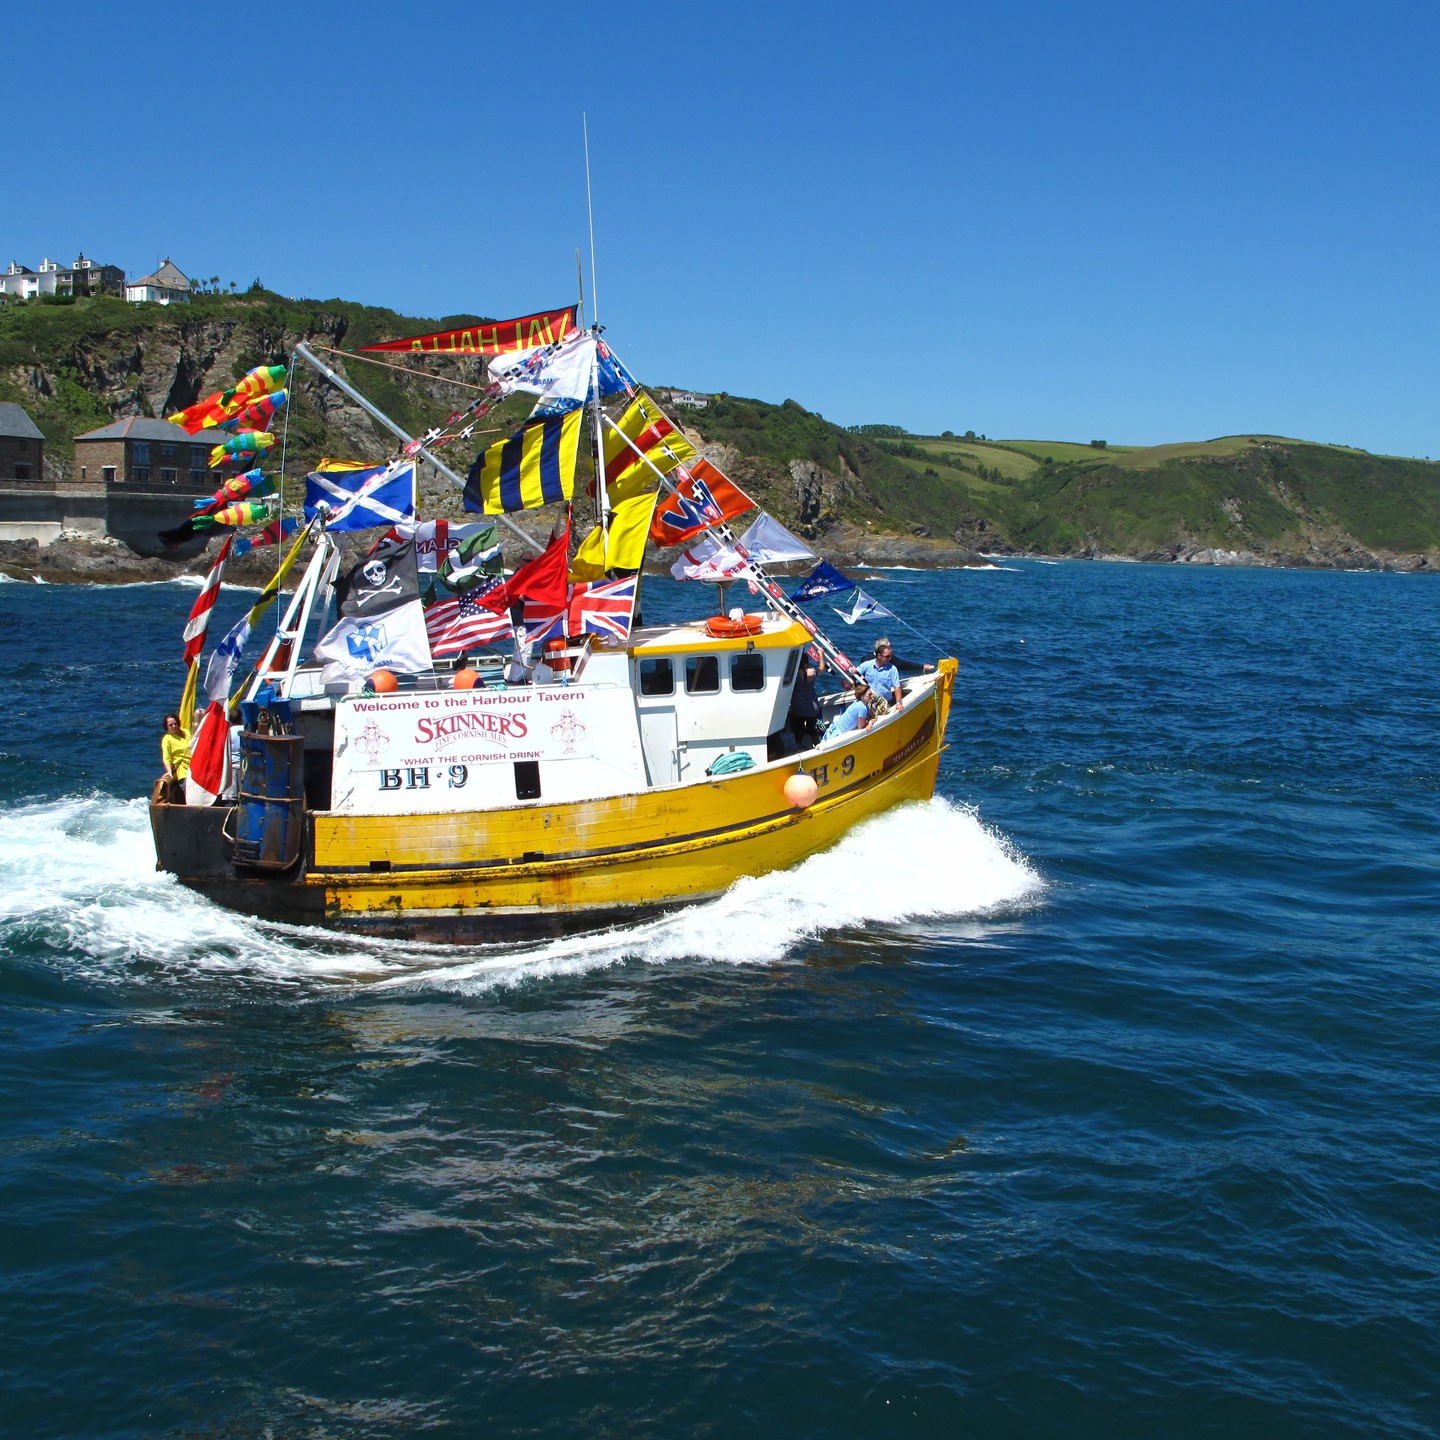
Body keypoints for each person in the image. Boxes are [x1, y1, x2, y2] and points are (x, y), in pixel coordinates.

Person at [856, 637, 934, 711]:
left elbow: (897, 686)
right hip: (869, 699)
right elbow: (857, 674)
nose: (889, 658)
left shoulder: (891, 667)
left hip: (883, 701)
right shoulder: (867, 663)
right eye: (887, 655)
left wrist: (899, 703)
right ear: (880, 653)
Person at [787, 645, 826, 749]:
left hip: (798, 706)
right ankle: (819, 746)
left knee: (798, 729)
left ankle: (799, 748)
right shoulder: (812, 672)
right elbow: (822, 668)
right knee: (811, 729)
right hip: (812, 705)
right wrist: (821, 654)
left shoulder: (793, 675)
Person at [159, 713, 191, 801]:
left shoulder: (186, 732)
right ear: (167, 727)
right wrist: (169, 772)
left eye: (175, 723)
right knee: (190, 793)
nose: (173, 726)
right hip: (183, 770)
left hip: (196, 767)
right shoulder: (167, 739)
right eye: (170, 725)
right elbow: (167, 758)